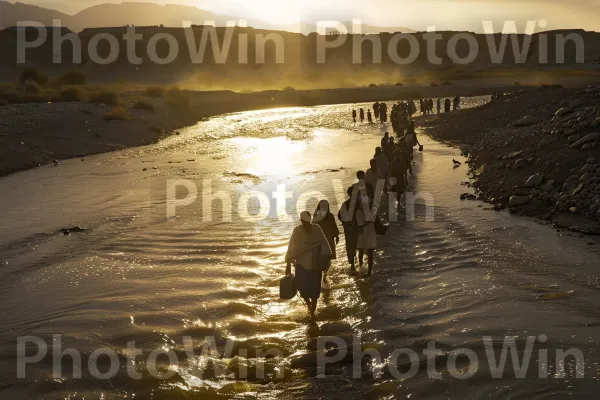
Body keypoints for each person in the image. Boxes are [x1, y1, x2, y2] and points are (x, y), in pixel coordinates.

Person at [285, 211, 332, 319]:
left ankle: (312, 312)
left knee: (315, 290)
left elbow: (324, 241)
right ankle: (310, 307)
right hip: (301, 264)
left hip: (315, 264)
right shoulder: (297, 230)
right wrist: (288, 264)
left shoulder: (316, 228)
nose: (305, 222)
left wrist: (328, 257)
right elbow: (291, 246)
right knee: (302, 288)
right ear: (301, 220)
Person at [313, 200, 339, 288]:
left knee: (329, 259)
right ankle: (321, 275)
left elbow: (334, 226)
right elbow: (313, 231)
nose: (324, 209)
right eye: (322, 207)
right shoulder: (316, 217)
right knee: (321, 259)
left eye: (326, 207)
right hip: (320, 242)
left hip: (330, 239)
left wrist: (337, 235)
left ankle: (325, 275)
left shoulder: (330, 216)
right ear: (319, 208)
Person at [338, 187, 359, 271]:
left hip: (354, 228)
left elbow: (340, 216)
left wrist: (345, 223)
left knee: (355, 246)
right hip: (351, 229)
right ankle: (353, 264)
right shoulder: (347, 204)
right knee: (352, 246)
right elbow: (340, 215)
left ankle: (357, 263)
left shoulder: (356, 204)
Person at [356, 204, 378, 275]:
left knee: (370, 253)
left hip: (370, 233)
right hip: (362, 233)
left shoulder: (372, 210)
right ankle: (361, 266)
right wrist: (369, 221)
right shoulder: (358, 212)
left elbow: (372, 219)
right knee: (361, 251)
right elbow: (360, 223)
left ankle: (369, 272)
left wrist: (368, 221)